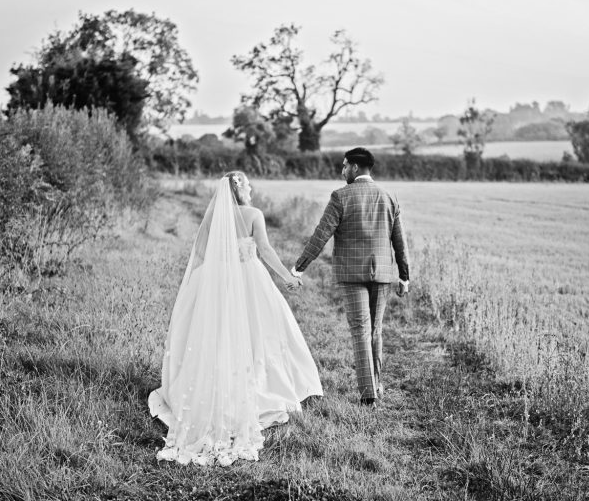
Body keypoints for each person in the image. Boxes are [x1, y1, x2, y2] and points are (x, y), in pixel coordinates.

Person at [148, 172, 323, 466]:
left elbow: (201, 253)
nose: (251, 188)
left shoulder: (214, 217)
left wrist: (204, 285)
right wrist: (287, 278)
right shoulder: (254, 214)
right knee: (261, 332)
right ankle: (261, 384)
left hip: (217, 280)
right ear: (239, 190)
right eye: (248, 185)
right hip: (250, 280)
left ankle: (216, 385)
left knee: (217, 335)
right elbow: (265, 250)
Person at [292, 147, 409, 408]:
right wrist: (404, 276)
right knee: (375, 330)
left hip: (351, 274)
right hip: (382, 273)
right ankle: (375, 385)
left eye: (344, 166)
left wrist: (300, 267)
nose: (342, 170)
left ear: (355, 167)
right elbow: (399, 241)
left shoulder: (340, 196)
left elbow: (321, 234)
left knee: (360, 330)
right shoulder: (389, 196)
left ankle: (368, 393)